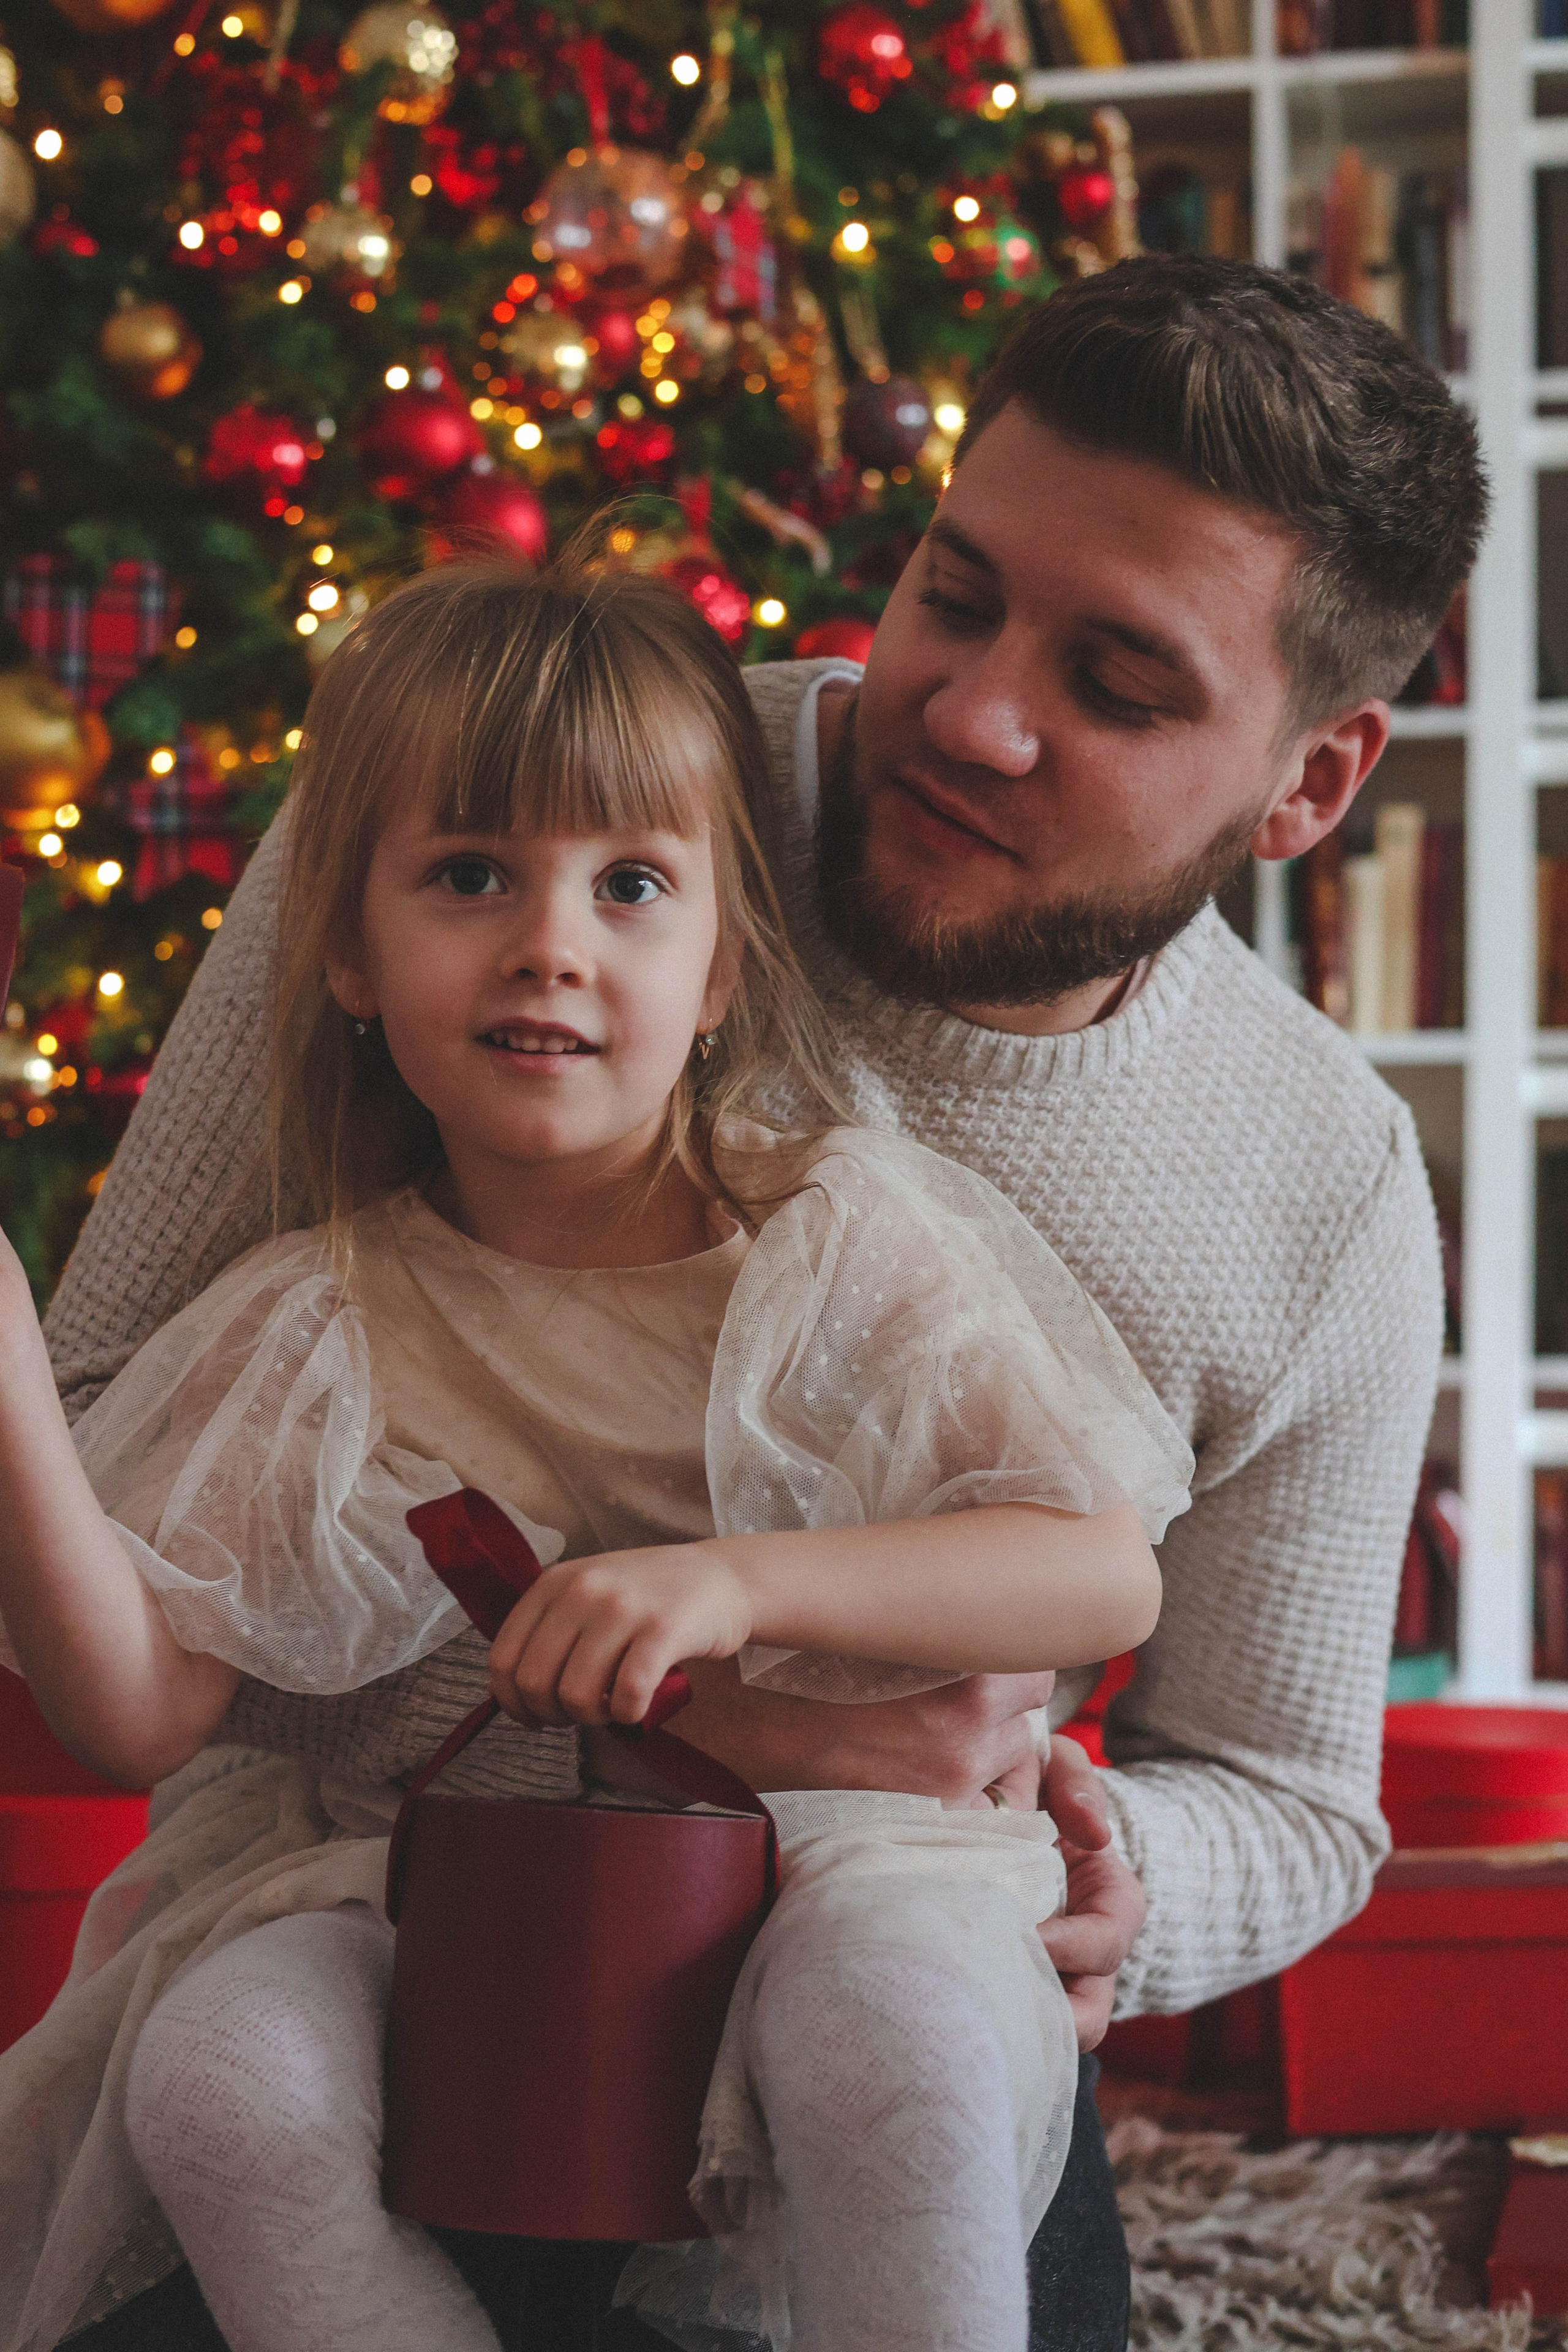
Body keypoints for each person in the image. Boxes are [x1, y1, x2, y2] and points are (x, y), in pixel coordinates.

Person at [39, 252, 1488, 2350]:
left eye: (1117, 685)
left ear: (1313, 783)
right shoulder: (522, 788)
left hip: (879, 1942)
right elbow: (118, 1438)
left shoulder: (1319, 1183)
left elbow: (1288, 1791)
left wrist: (1101, 1867)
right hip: (389, 1915)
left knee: (903, 2096)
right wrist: (712, 1708)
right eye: (954, 593)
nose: (973, 713)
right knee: (225, 2129)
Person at [0, 556, 1194, 2352]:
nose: (549, 943)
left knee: (896, 2046)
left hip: (849, 1862)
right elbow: (142, 1712)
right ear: (347, 952)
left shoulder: (832, 1241)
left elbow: (1101, 1571)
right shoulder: (321, 1319)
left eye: (629, 885)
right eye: (469, 875)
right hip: (440, 1883)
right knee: (223, 2079)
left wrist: (733, 1586)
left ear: (722, 971)